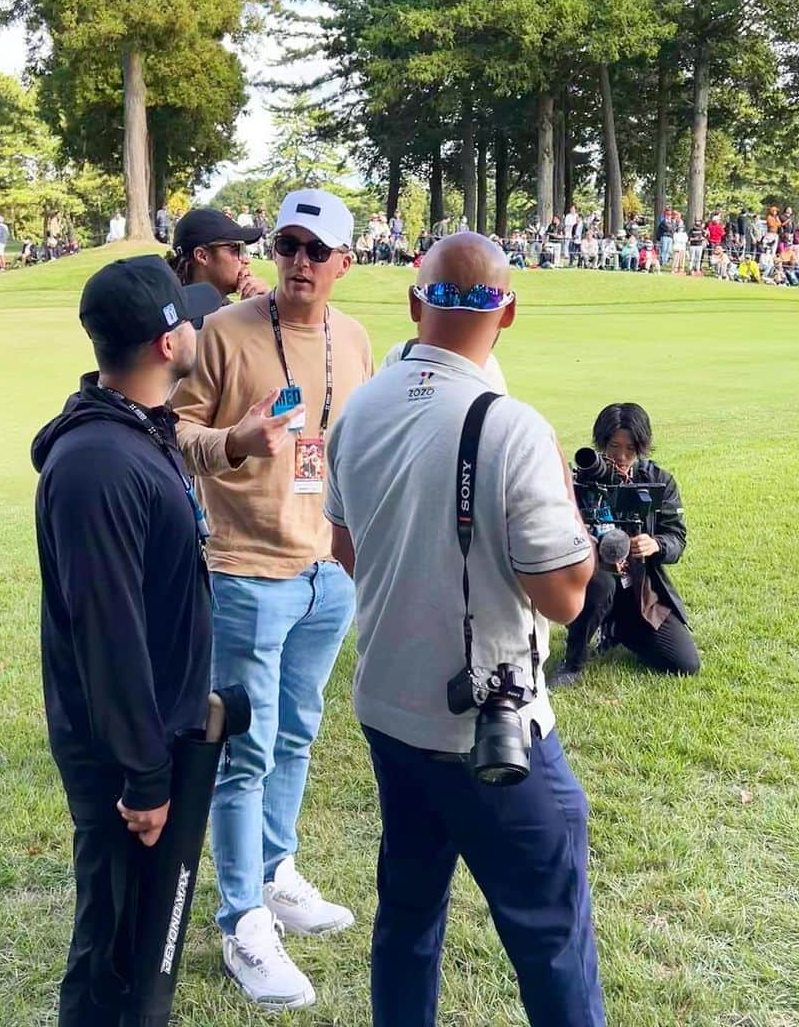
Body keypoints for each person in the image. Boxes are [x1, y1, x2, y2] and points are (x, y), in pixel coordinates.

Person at [324, 232, 603, 1027]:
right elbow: (566, 597)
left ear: (415, 305)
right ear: (507, 314)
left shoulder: (359, 411)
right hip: (486, 728)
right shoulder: (514, 427)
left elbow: (349, 548)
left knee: (408, 916)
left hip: (388, 708)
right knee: (551, 931)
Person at [171, 188, 372, 1011]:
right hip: (247, 569)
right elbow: (176, 433)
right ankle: (242, 921)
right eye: (286, 245)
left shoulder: (356, 338)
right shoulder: (224, 333)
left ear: (342, 264)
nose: (296, 261)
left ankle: (274, 870)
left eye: (314, 250)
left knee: (297, 735)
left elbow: (354, 445)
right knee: (246, 754)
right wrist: (239, 440)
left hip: (326, 571)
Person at [32, 255, 223, 1026]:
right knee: (113, 948)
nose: (204, 325)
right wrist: (143, 775)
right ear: (168, 342)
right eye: (191, 317)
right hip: (126, 754)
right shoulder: (100, 464)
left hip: (158, 735)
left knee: (149, 941)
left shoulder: (139, 432)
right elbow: (108, 633)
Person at [551, 403, 699, 686]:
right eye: (613, 446)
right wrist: (589, 542)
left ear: (642, 448)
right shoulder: (579, 481)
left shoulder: (659, 481)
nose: (621, 457)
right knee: (601, 584)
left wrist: (654, 545)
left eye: (630, 449)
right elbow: (557, 532)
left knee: (684, 663)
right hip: (591, 579)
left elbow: (676, 538)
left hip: (638, 586)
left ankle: (619, 628)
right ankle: (573, 663)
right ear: (601, 444)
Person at [169, 207, 269, 301]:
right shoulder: (173, 315)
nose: (247, 260)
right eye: (236, 249)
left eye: (244, 250)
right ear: (202, 256)